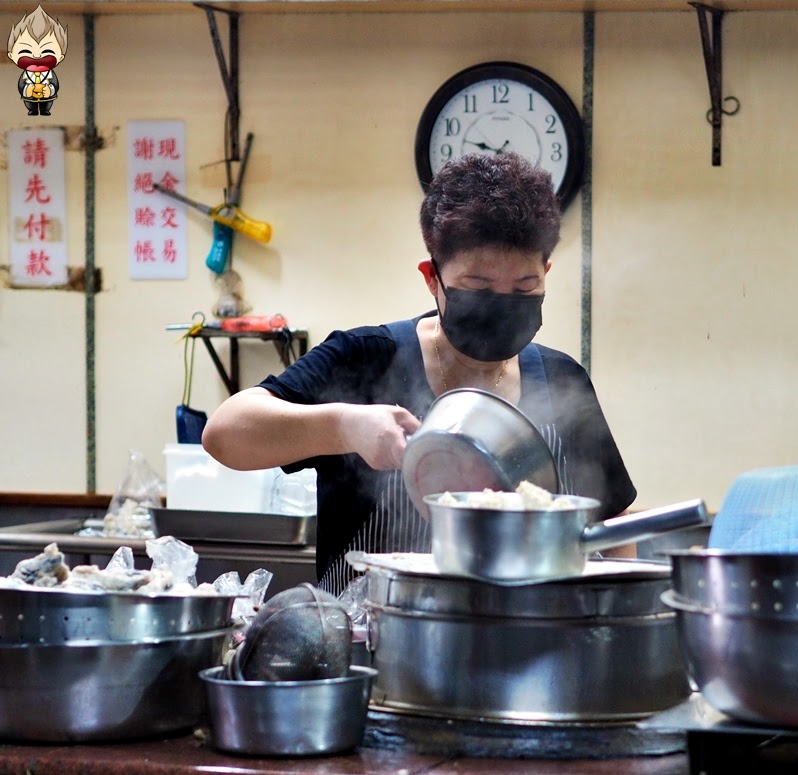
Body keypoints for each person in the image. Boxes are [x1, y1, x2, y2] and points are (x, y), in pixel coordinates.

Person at [202, 152, 637, 594]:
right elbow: (224, 434)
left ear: (545, 274)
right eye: (477, 287)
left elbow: (612, 529)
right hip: (374, 647)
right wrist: (344, 426)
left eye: (525, 288)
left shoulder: (564, 380)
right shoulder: (365, 357)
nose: (502, 306)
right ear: (433, 278)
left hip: (526, 642)